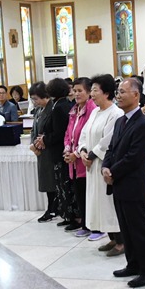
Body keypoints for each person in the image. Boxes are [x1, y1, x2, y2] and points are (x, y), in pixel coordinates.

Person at [103, 78, 145, 288]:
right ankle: (133, 264)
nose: (118, 95)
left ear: (136, 95)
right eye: (117, 92)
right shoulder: (121, 121)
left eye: (122, 92)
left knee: (139, 229)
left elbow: (134, 157)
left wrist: (113, 172)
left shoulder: (143, 124)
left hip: (133, 185)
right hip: (118, 184)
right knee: (126, 228)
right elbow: (111, 149)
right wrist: (105, 167)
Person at [79, 75, 125, 252]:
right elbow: (85, 134)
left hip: (104, 164)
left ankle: (121, 241)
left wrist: (91, 155)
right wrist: (83, 151)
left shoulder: (115, 113)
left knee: (108, 205)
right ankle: (112, 238)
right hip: (91, 164)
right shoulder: (95, 112)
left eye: (95, 90)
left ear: (106, 93)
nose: (91, 94)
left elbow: (108, 140)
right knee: (97, 204)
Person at [63, 78, 96, 235]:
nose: (76, 94)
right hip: (73, 160)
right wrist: (67, 149)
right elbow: (68, 133)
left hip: (85, 158)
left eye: (80, 91)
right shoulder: (74, 110)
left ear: (88, 92)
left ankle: (94, 226)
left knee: (89, 194)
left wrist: (76, 153)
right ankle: (84, 224)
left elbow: (88, 136)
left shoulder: (92, 109)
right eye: (74, 91)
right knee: (79, 194)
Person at [43, 78, 75, 227]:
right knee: (63, 184)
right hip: (63, 150)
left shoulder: (59, 107)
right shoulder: (65, 104)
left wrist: (45, 139)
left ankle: (70, 215)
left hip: (60, 150)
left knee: (64, 184)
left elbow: (59, 133)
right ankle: (66, 214)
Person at [29, 83, 58, 222]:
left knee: (51, 181)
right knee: (46, 181)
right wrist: (33, 144)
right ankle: (51, 208)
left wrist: (42, 142)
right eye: (32, 99)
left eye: (36, 98)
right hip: (40, 151)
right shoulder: (38, 110)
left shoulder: (52, 109)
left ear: (45, 96)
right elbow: (33, 130)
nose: (34, 102)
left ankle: (53, 209)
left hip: (50, 151)